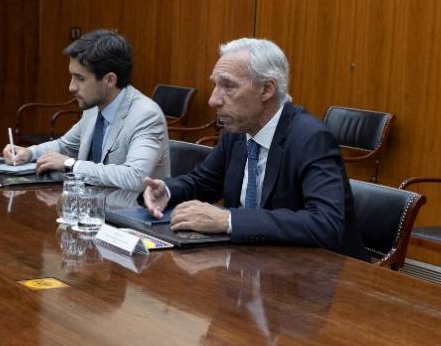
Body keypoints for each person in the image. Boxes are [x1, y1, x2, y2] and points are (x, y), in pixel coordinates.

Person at [140, 38, 366, 258]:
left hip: (321, 272)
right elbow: (202, 183)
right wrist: (167, 191)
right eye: (215, 85)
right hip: (252, 262)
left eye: (228, 86)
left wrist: (228, 220)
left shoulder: (310, 138)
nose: (213, 100)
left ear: (266, 89)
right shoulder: (237, 131)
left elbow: (326, 223)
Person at [3, 29, 169, 190]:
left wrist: (71, 164)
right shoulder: (94, 107)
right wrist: (30, 153)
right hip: (90, 203)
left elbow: (136, 177)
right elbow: (65, 146)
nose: (71, 87)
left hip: (129, 208)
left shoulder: (146, 115)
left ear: (109, 80)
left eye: (80, 78)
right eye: (72, 76)